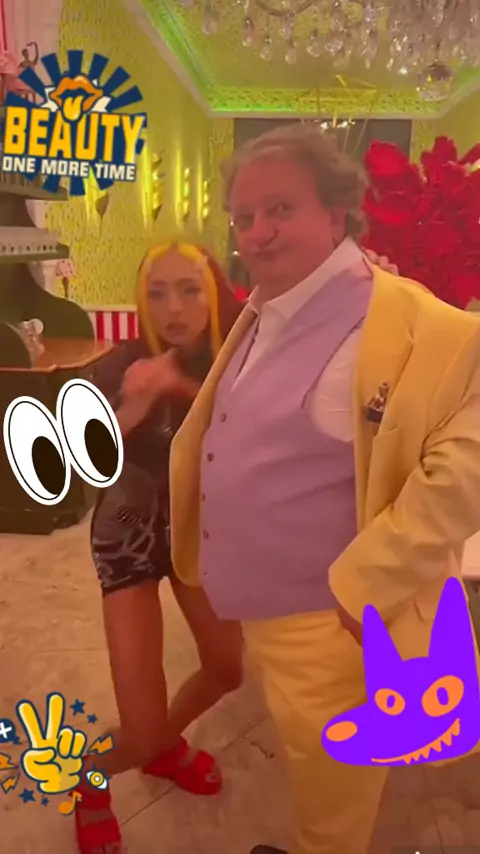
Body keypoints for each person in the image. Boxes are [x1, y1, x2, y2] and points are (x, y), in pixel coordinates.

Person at [168, 124, 480, 854]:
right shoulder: (265, 308)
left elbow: (463, 473)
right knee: (312, 771)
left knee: (335, 796)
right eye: (243, 217)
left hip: (329, 623)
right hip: (263, 611)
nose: (257, 232)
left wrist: (359, 586)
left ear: (337, 211)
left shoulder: (419, 325)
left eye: (280, 209)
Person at [74, 241, 244, 854]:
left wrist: (182, 385)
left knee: (227, 669)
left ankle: (160, 747)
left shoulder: (236, 357)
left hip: (195, 534)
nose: (173, 308)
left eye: (189, 289)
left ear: (214, 292)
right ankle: (89, 784)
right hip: (129, 539)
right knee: (138, 729)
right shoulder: (120, 363)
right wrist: (135, 404)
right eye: (157, 293)